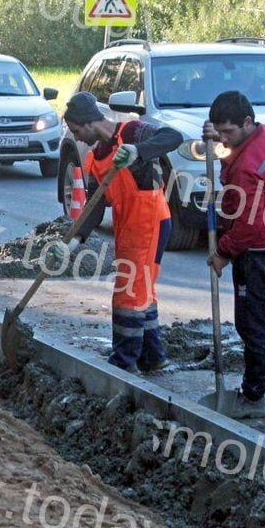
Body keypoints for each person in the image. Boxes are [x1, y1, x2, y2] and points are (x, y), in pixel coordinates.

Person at [56, 92, 184, 373]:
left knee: (129, 292)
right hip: (127, 228)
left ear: (89, 123)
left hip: (151, 223)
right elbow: (95, 205)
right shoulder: (93, 160)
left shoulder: (133, 132)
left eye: (77, 131)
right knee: (142, 290)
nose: (77, 138)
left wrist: (139, 151)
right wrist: (73, 241)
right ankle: (153, 357)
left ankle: (124, 362)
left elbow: (173, 137)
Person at [202, 90, 265, 419]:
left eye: (228, 132)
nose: (224, 139)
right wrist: (217, 143)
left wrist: (223, 253)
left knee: (252, 324)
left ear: (246, 122)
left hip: (258, 252)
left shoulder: (246, 168)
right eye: (219, 132)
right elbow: (233, 155)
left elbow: (248, 225)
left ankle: (253, 396)